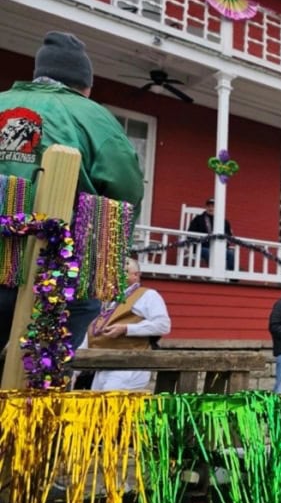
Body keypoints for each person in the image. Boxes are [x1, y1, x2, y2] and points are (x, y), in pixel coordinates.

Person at [0, 31, 144, 351]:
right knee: (41, 370)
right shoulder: (92, 116)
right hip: (56, 269)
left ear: (38, 74)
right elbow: (125, 189)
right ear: (85, 85)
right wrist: (108, 255)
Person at [81, 259, 170, 391]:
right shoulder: (110, 301)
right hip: (103, 364)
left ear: (136, 275)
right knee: (97, 407)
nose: (117, 276)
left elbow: (163, 325)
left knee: (110, 407)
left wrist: (126, 329)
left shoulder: (148, 295)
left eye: (124, 272)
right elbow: (93, 332)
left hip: (128, 365)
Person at [186, 197, 235, 267]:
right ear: (206, 207)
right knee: (209, 253)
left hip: (218, 247)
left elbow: (229, 237)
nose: (211, 208)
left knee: (230, 254)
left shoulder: (224, 221)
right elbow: (190, 234)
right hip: (201, 246)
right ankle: (216, 275)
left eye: (213, 206)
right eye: (209, 206)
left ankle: (231, 277)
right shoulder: (198, 219)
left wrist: (223, 245)